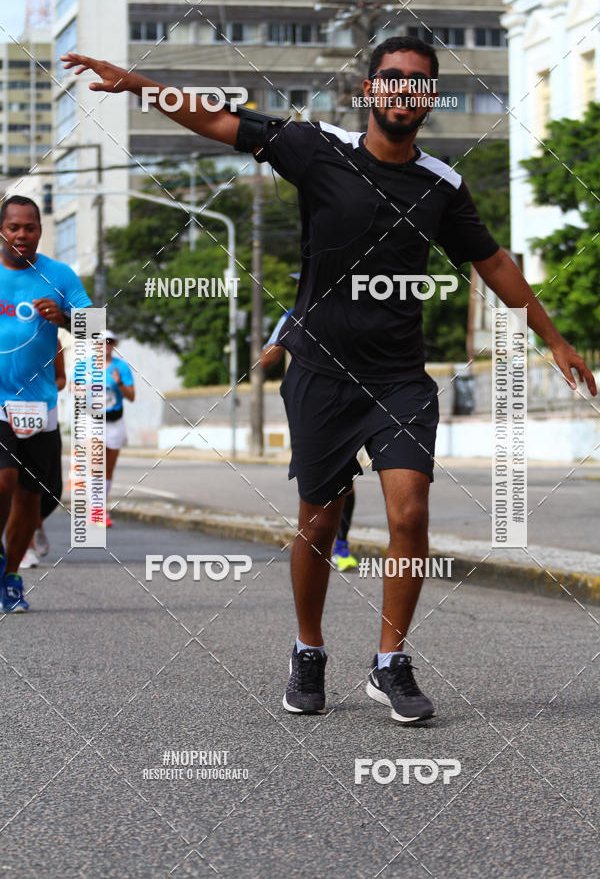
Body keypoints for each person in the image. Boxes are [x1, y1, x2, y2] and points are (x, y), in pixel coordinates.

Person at [62, 38, 596, 722]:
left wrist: (554, 339)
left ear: (429, 98)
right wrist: (137, 84)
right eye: (392, 78)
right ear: (370, 89)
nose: (404, 90)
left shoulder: (442, 187)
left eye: (419, 82)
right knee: (318, 522)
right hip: (319, 370)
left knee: (410, 513)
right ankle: (307, 648)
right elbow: (220, 120)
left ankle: (390, 663)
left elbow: (492, 264)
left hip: (400, 379)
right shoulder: (316, 149)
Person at [0, 195, 92, 612]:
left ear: (40, 230)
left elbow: (97, 328)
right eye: (14, 226)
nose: (22, 234)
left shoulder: (59, 274)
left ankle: (11, 575)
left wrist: (65, 318)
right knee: (3, 479)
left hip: (38, 405)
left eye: (30, 227)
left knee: (33, 496)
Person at [262, 283, 359, 573]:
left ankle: (341, 546)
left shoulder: (348, 311)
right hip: (309, 407)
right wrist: (284, 338)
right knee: (314, 484)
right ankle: (315, 544)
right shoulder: (292, 315)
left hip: (347, 401)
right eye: (297, 284)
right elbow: (267, 359)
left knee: (346, 482)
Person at [20, 342, 66, 568]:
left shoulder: (51, 341)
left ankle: (36, 523)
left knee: (53, 488)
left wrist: (44, 389)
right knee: (19, 483)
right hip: (8, 419)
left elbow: (61, 379)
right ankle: (25, 547)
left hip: (43, 417)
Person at [102, 329, 134, 527]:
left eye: (109, 341)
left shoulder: (121, 367)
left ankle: (101, 507)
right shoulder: (85, 366)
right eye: (100, 341)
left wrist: (119, 382)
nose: (104, 344)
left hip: (114, 421)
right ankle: (95, 509)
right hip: (93, 421)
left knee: (108, 468)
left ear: (114, 344)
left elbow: (131, 396)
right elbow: (73, 387)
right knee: (95, 466)